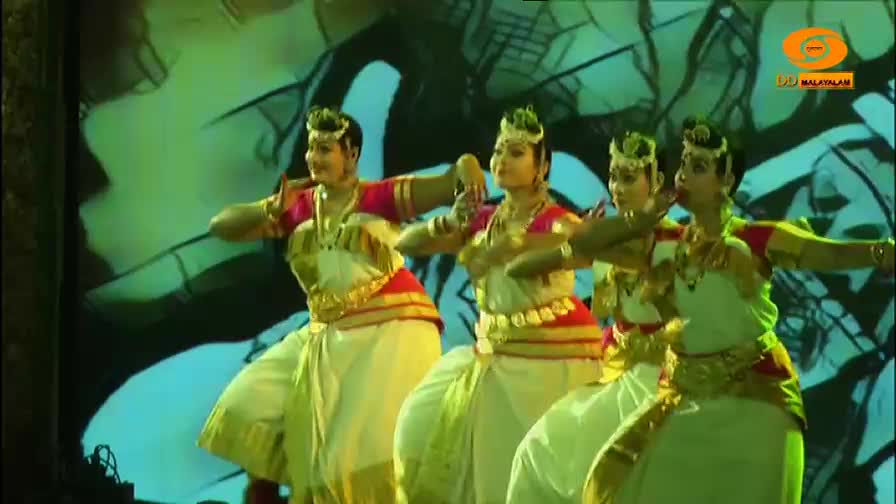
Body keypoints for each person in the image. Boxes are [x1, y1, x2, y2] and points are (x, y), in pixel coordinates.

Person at [510, 116, 895, 504]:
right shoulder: (666, 246)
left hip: (755, 407)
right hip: (688, 402)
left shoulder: (755, 239)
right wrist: (641, 219)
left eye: (698, 168)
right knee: (617, 487)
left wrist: (882, 252)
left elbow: (828, 253)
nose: (683, 177)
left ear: (726, 181)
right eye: (682, 165)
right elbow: (578, 239)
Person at [196, 106, 487, 504]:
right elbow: (221, 226)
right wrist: (269, 209)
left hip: (389, 329)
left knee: (349, 460)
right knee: (248, 403)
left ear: (351, 155)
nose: (315, 158)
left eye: (326, 149)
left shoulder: (378, 197)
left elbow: (447, 181)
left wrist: (468, 167)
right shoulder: (297, 207)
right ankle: (260, 493)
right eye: (312, 148)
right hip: (326, 332)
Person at [389, 106, 606, 504]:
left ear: (542, 167)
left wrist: (525, 244)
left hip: (547, 361)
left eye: (517, 152)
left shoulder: (555, 219)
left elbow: (579, 246)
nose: (502, 160)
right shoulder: (483, 219)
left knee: (516, 477)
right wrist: (450, 222)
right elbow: (405, 244)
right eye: (499, 150)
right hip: (491, 355)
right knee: (415, 431)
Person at [503, 131, 684, 503]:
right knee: (537, 452)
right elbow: (518, 269)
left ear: (659, 182)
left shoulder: (676, 243)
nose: (616, 187)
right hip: (615, 377)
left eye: (629, 177)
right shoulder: (603, 236)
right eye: (614, 176)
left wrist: (591, 236)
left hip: (659, 384)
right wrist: (578, 242)